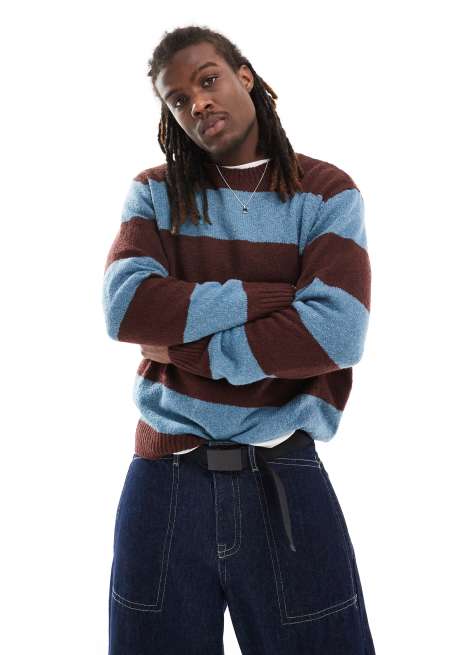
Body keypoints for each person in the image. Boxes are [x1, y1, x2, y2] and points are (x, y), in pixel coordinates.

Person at [102, 25, 376, 655]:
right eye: (177, 98)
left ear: (244, 77)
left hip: (284, 477)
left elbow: (336, 331)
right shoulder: (155, 193)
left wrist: (186, 348)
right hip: (165, 484)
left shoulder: (326, 192)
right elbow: (127, 308)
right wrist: (272, 297)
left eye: (208, 80)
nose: (197, 102)